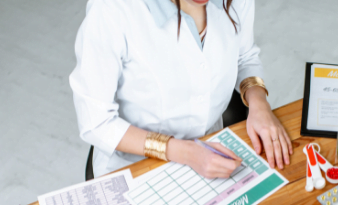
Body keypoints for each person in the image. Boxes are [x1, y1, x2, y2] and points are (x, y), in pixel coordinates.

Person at [69, 0, 292, 180]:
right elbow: (96, 122)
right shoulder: (112, 10)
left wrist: (259, 103)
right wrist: (185, 152)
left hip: (211, 152)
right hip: (135, 167)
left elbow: (245, 56)